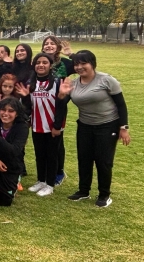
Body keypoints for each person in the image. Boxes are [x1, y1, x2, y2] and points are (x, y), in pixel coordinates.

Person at [58, 50, 130, 207]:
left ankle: (104, 195)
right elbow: (61, 106)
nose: (79, 67)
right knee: (84, 159)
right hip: (84, 126)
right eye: (76, 64)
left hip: (107, 125)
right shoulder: (74, 83)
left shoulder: (106, 80)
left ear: (92, 63)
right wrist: (62, 95)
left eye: (84, 63)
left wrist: (123, 127)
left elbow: (121, 105)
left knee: (103, 161)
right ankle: (83, 191)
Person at [15, 53, 67, 198]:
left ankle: (50, 184)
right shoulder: (32, 84)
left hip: (52, 127)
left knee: (52, 155)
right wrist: (25, 96)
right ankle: (41, 180)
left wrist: (57, 126)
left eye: (45, 62)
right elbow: (28, 108)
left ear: (50, 65)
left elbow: (61, 107)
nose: (41, 65)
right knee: (40, 155)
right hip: (37, 125)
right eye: (38, 62)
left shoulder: (57, 82)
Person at [41, 35, 73, 186]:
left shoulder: (65, 63)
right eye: (46, 44)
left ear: (57, 47)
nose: (48, 46)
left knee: (57, 139)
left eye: (52, 43)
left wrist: (71, 54)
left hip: (58, 106)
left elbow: (83, 65)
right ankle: (47, 171)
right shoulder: (41, 62)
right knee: (44, 141)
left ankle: (59, 171)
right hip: (42, 105)